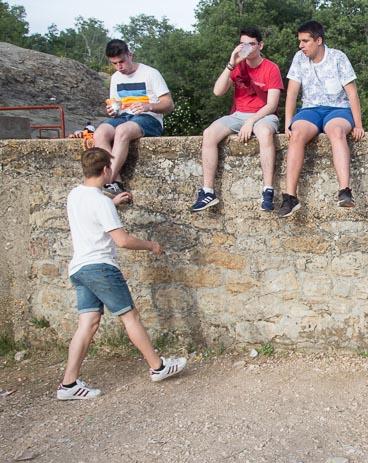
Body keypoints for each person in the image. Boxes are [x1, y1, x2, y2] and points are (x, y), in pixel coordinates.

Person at [57, 147, 186, 400]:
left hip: (80, 268)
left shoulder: (75, 195)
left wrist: (112, 204)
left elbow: (90, 215)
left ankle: (68, 384)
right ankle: (158, 367)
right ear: (106, 170)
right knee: (130, 317)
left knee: (88, 324)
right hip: (101, 268)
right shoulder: (101, 202)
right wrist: (151, 245)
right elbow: (123, 241)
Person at [190, 27, 284, 212]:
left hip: (264, 114)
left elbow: (272, 105)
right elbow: (218, 91)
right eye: (243, 44)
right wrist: (231, 63)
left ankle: (268, 190)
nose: (246, 48)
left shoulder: (271, 68)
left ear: (260, 45)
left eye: (251, 44)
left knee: (265, 133)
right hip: (238, 114)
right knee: (209, 134)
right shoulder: (238, 66)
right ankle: (208, 191)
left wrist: (251, 121)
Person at [277, 20, 365, 218]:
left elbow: (352, 93)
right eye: (300, 41)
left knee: (336, 131)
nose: (301, 45)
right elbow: (292, 92)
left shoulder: (338, 57)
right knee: (297, 134)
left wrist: (358, 124)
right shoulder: (299, 58)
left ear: (318, 40)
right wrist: (288, 122)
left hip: (338, 109)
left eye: (305, 41)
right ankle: (290, 197)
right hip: (310, 109)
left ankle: (345, 191)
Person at [94, 39, 174, 200]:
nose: (119, 67)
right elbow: (117, 106)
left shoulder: (150, 73)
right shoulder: (115, 78)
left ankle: (106, 181)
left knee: (122, 131)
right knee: (100, 132)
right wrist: (113, 110)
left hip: (149, 118)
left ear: (130, 55)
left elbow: (169, 104)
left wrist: (148, 106)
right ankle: (115, 182)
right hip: (124, 117)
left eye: (122, 61)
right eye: (114, 63)